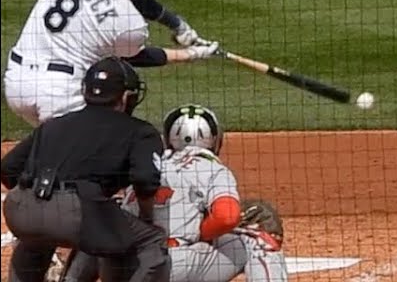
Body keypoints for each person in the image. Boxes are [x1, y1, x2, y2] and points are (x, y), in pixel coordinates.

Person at [4, 0, 222, 129]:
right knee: (95, 152)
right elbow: (135, 57)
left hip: (16, 81)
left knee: (52, 151)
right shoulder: (129, 26)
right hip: (60, 94)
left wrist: (176, 24)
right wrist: (191, 54)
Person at [62, 104, 290, 282]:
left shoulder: (148, 161)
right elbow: (226, 217)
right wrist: (200, 233)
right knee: (257, 235)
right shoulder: (211, 167)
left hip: (119, 268)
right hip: (171, 268)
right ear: (214, 139)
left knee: (103, 220)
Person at [1, 57, 172, 282]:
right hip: (77, 212)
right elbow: (146, 180)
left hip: (20, 208)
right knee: (149, 240)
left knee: (38, 237)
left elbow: (8, 168)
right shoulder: (140, 131)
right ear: (125, 97)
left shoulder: (54, 124)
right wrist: (147, 218)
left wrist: (36, 202)